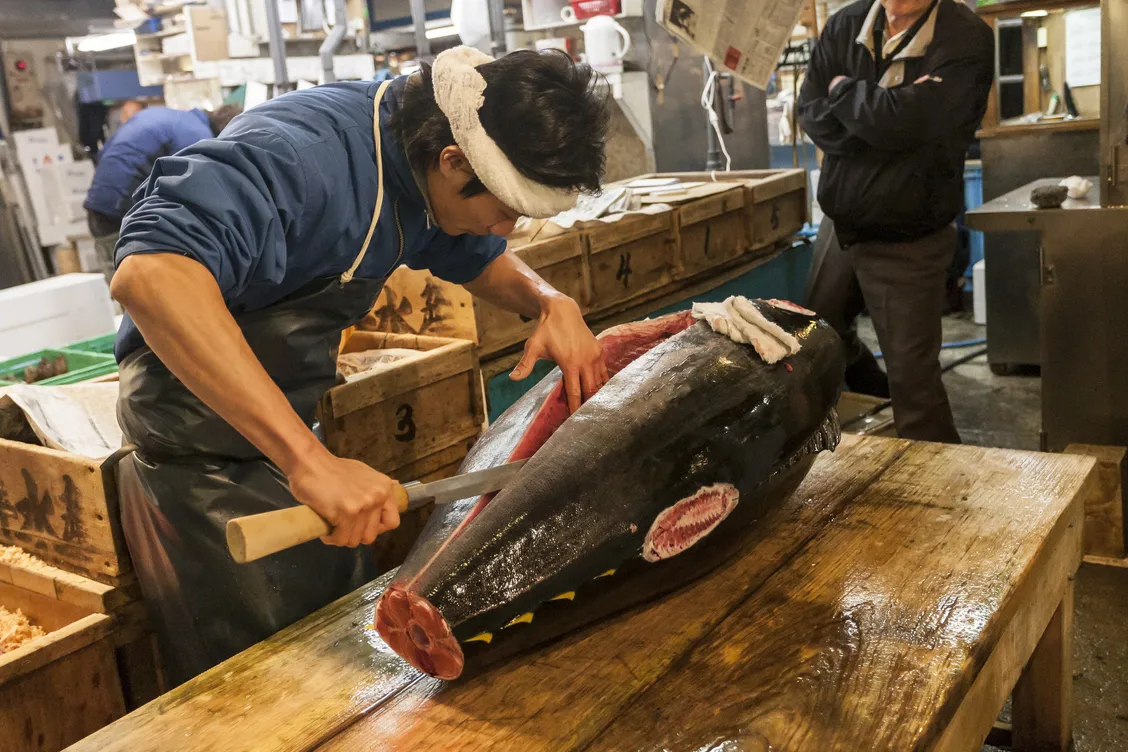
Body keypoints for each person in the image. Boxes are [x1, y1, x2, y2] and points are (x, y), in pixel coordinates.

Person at [108, 46, 612, 685]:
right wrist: (308, 463)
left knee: (341, 661)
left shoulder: (417, 163)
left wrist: (547, 300)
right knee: (269, 689)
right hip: (196, 458)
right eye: (507, 210)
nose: (507, 229)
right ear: (454, 162)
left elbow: (470, 251)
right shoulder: (303, 158)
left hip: (282, 435)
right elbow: (151, 275)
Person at [798, 0, 993, 443]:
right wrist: (882, 118)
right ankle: (877, 393)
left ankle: (942, 501)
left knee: (915, 385)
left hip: (909, 238)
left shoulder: (964, 36)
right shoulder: (845, 25)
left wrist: (845, 92)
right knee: (818, 334)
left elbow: (916, 122)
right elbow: (811, 112)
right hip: (840, 226)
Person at [83, 103, 242, 284]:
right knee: (142, 289)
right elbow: (195, 191)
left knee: (120, 284)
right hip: (120, 211)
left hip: (97, 205)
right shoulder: (197, 135)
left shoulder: (166, 116)